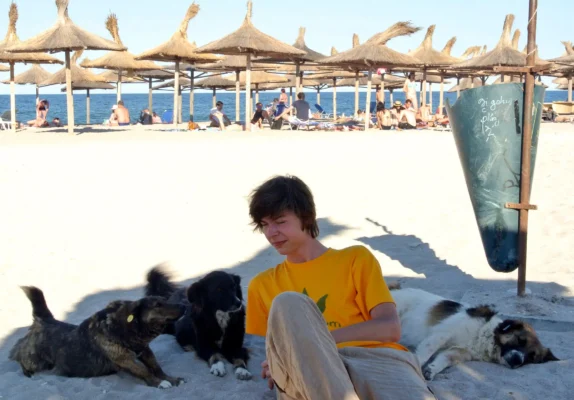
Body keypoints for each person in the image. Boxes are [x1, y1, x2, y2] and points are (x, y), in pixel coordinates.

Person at [246, 175, 436, 400]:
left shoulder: (355, 259)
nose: (271, 233)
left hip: (374, 358)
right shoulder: (262, 285)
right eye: (264, 225)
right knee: (288, 302)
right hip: (308, 371)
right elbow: (269, 352)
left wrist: (317, 341)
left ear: (306, 217)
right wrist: (281, 362)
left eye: (279, 221)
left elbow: (390, 328)